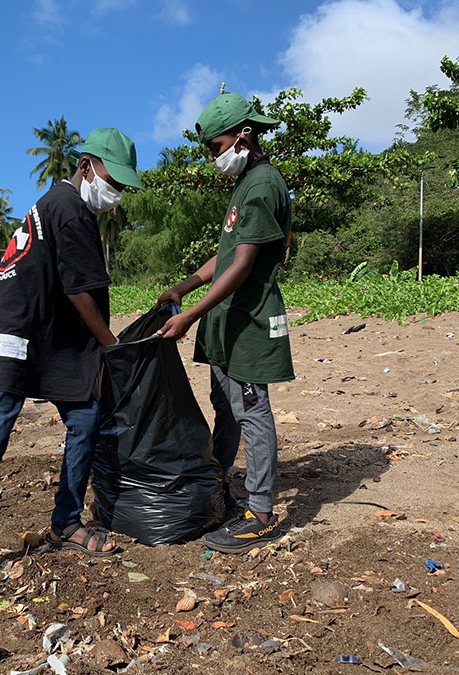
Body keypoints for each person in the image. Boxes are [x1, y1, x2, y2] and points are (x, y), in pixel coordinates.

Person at [0, 128, 143, 611]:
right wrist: (114, 348)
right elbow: (81, 291)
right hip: (16, 333)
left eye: (123, 186)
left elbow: (66, 285)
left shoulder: (60, 205)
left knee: (85, 418)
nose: (116, 193)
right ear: (86, 165)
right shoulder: (70, 208)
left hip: (52, 336)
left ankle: (65, 521)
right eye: (112, 179)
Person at [155, 93, 293, 554]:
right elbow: (225, 256)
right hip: (226, 323)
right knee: (228, 406)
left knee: (252, 411)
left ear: (244, 134)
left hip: (249, 321)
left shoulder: (262, 185)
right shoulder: (245, 184)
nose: (215, 157)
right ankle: (222, 486)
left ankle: (261, 513)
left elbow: (243, 267)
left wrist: (189, 316)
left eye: (217, 146)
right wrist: (183, 288)